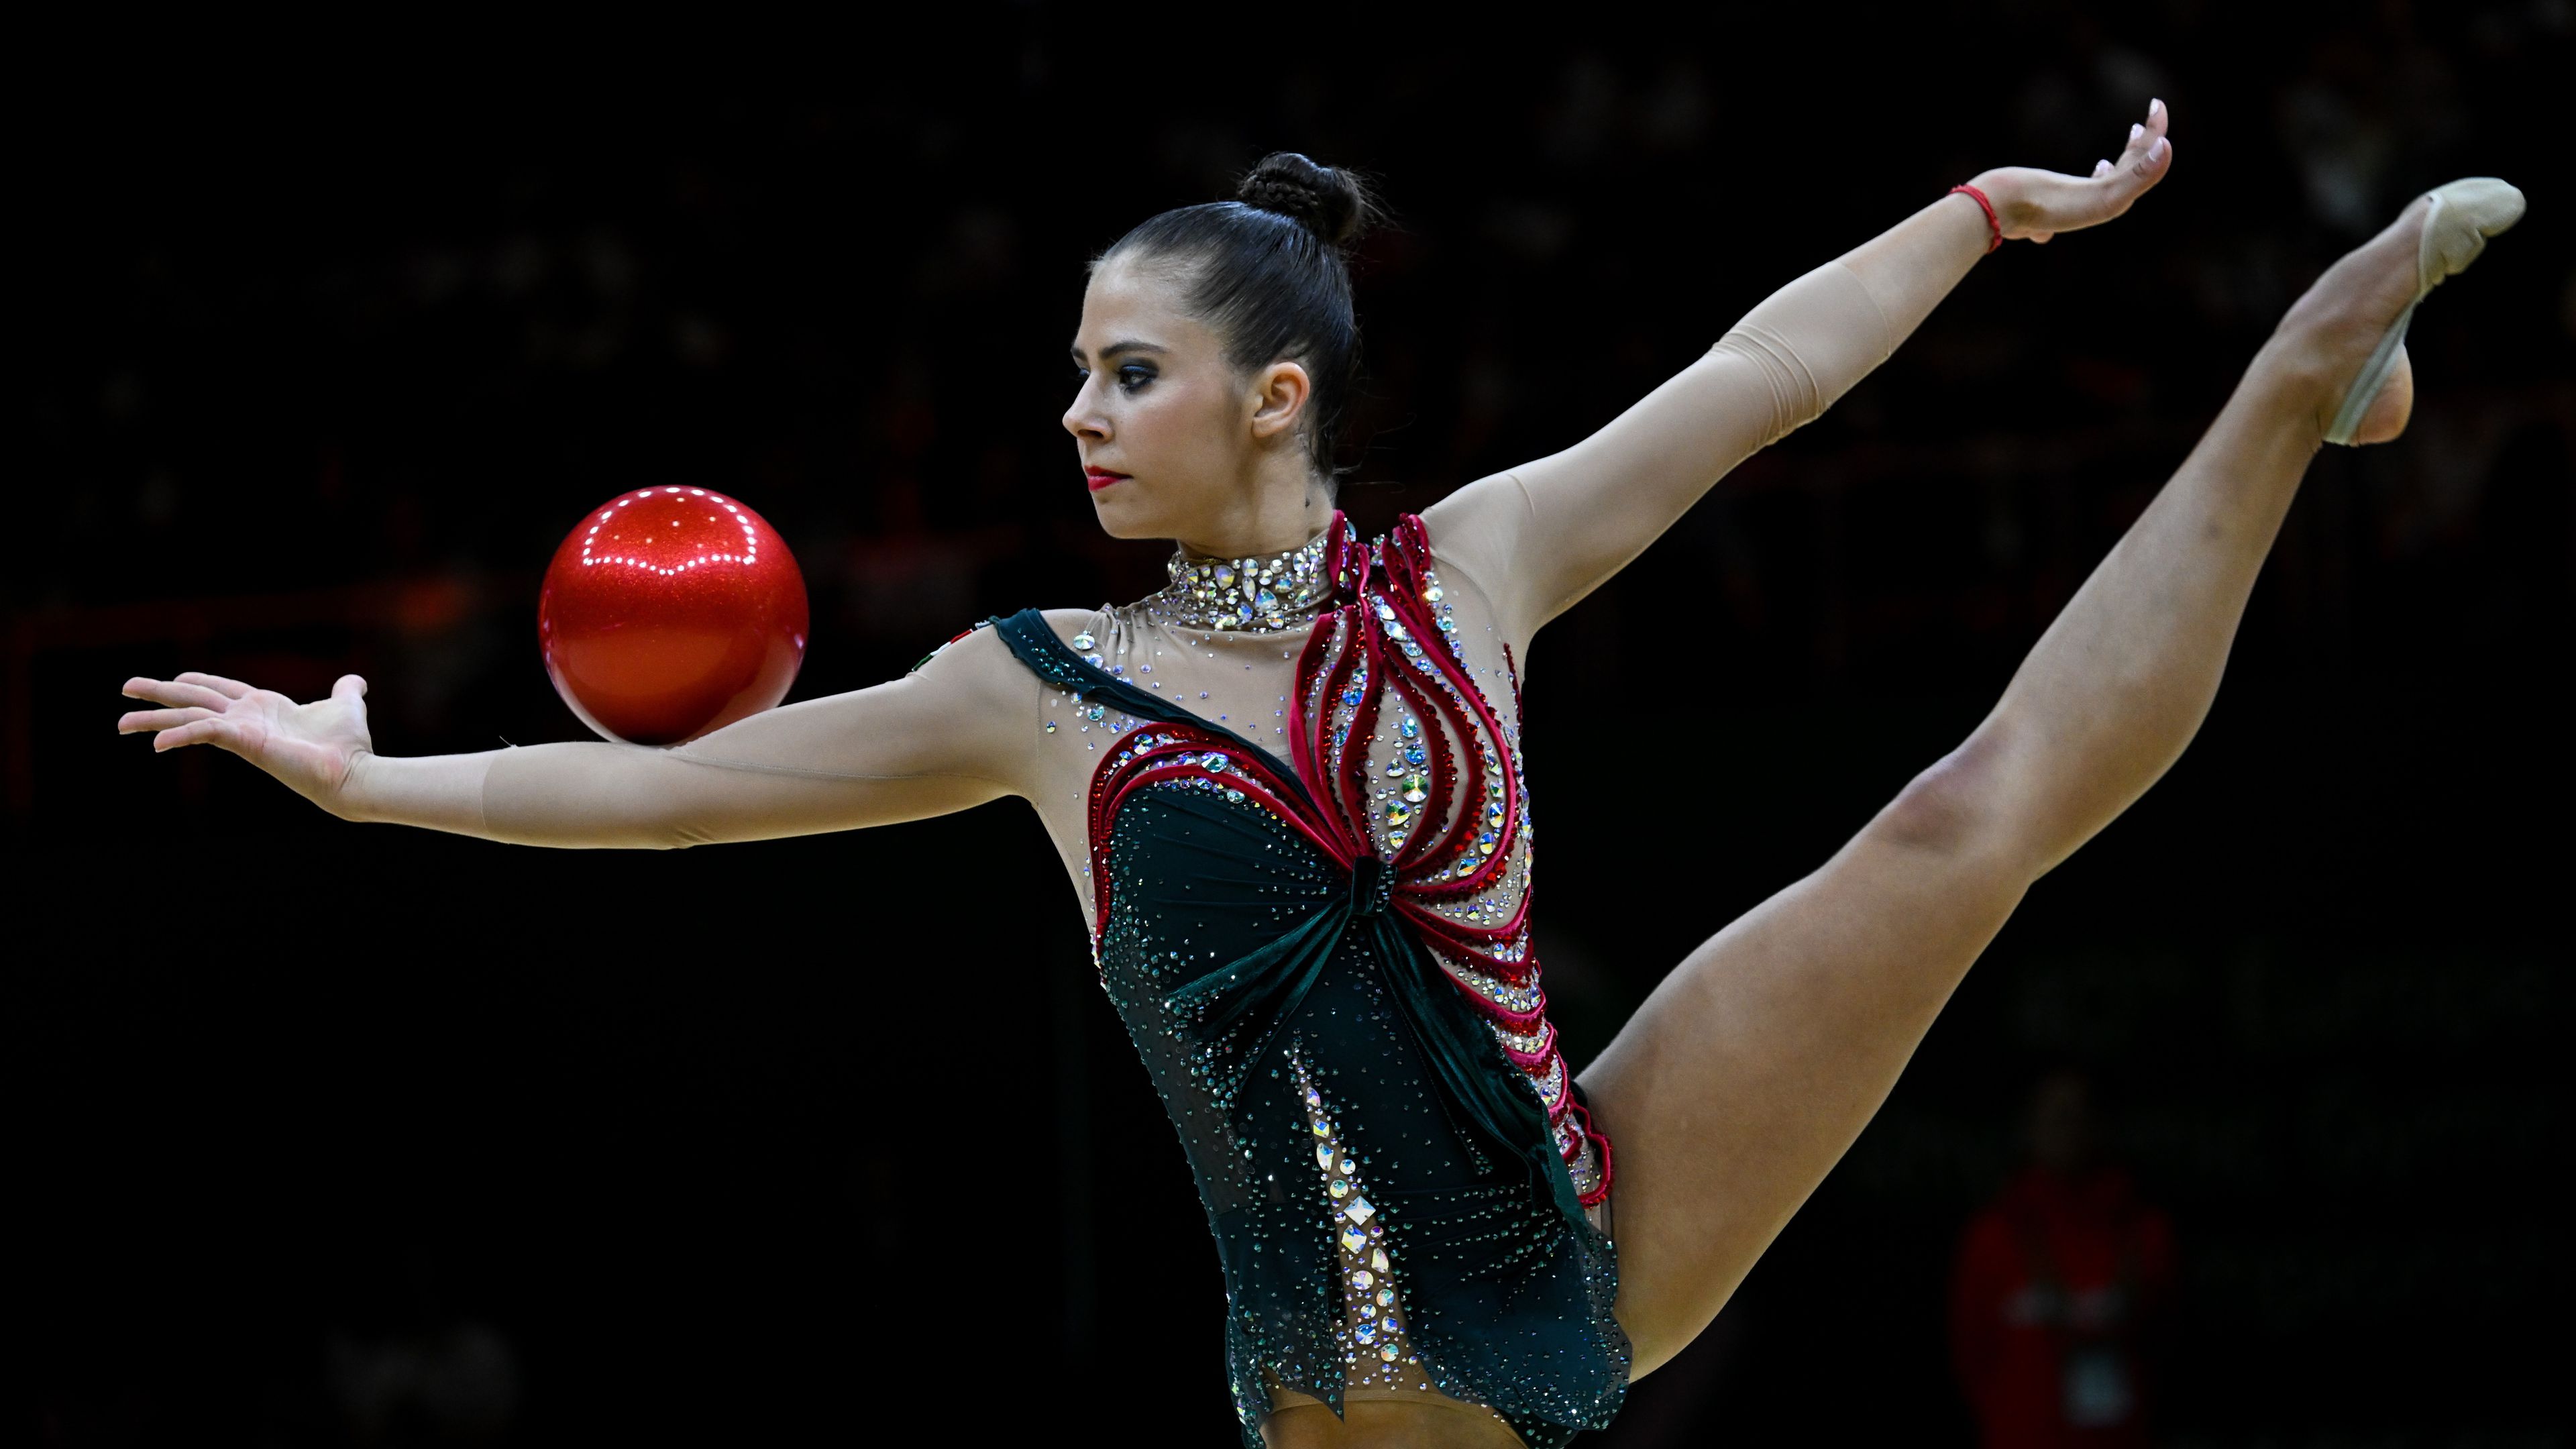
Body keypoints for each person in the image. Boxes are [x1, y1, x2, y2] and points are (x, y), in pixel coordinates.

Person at [116, 110, 2522, 1446]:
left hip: (1586, 1255)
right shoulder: (1031, 685)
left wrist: (2000, 212)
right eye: (1076, 369)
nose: (1076, 411)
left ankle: (2307, 370)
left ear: (1275, 394)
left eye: (1128, 370)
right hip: (1338, 1381)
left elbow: (1767, 369)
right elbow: (666, 803)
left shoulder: (1478, 565)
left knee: (1955, 818)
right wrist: (373, 772)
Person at [1951, 1071, 2176, 1449]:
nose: (2067, 1129)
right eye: (2055, 1116)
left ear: (2100, 1126)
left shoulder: (2145, 1232)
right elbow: (1970, 1352)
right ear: (2030, 1127)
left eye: (2078, 1115)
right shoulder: (1992, 1237)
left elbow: (2168, 1344)